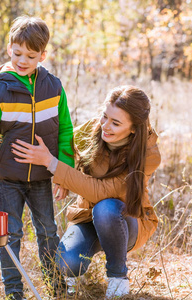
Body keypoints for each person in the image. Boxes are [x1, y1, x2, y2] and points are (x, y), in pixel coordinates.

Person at [10, 85, 161, 299]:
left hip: (126, 220)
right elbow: (63, 144)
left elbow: (102, 192)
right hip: (87, 217)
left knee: (106, 208)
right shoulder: (93, 130)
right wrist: (63, 172)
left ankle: (118, 279)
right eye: (104, 117)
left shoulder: (149, 155)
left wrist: (52, 164)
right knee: (66, 263)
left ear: (134, 128)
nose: (105, 126)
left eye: (115, 123)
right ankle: (78, 271)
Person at [0, 15, 74, 300]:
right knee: (10, 235)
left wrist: (64, 173)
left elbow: (65, 131)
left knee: (48, 230)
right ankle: (14, 290)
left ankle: (56, 285)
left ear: (43, 55)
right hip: (9, 179)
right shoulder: (0, 90)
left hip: (41, 178)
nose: (22, 60)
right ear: (9, 48)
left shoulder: (54, 87)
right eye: (17, 53)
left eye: (31, 55)